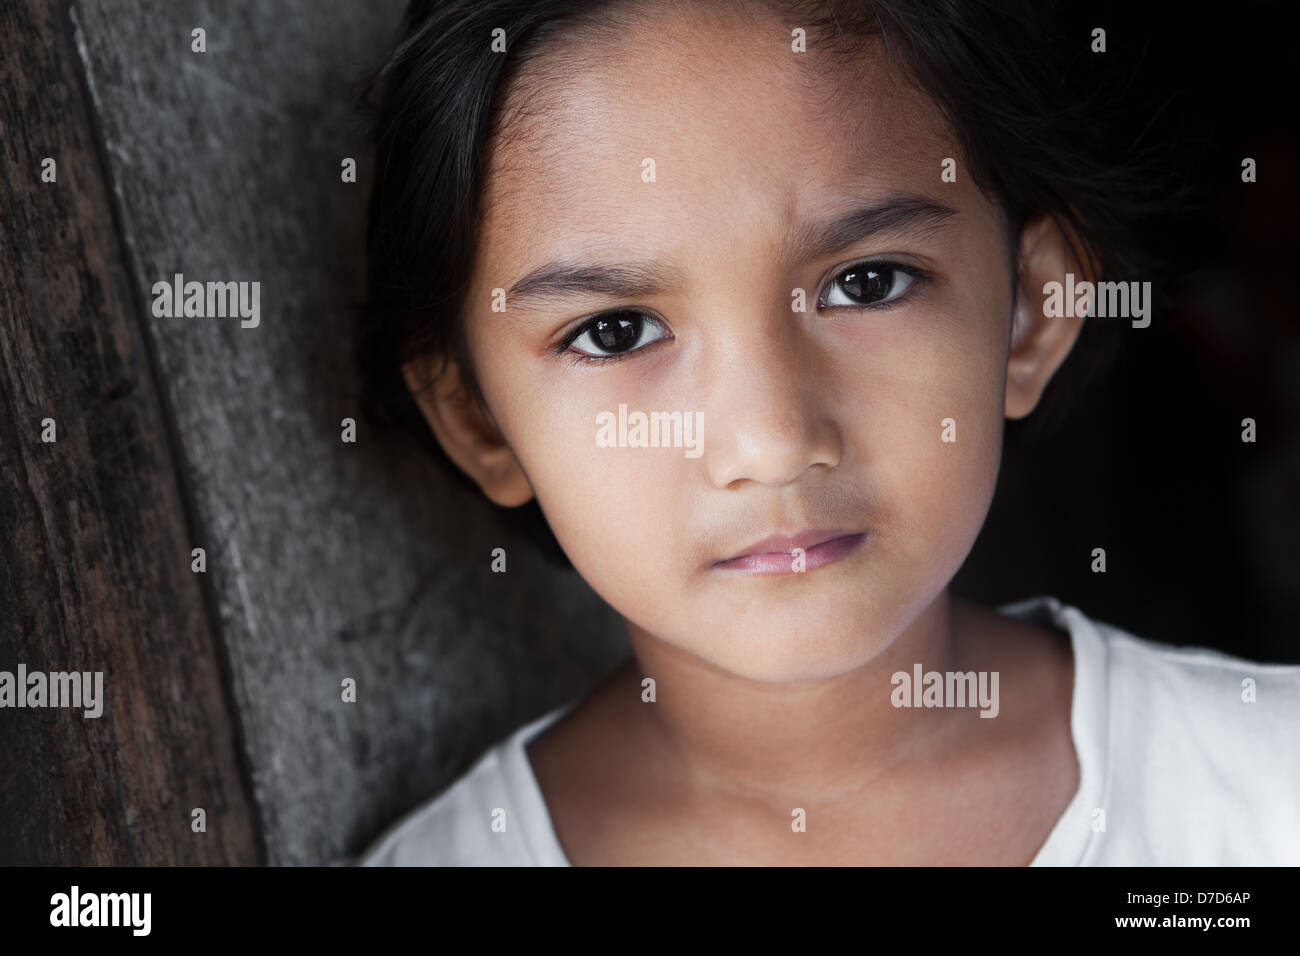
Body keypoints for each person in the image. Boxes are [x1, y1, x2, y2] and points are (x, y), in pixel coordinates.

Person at [353, 0, 1300, 865]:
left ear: (1031, 310)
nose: (771, 442)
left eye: (868, 282)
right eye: (615, 332)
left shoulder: (1266, 791)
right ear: (480, 420)